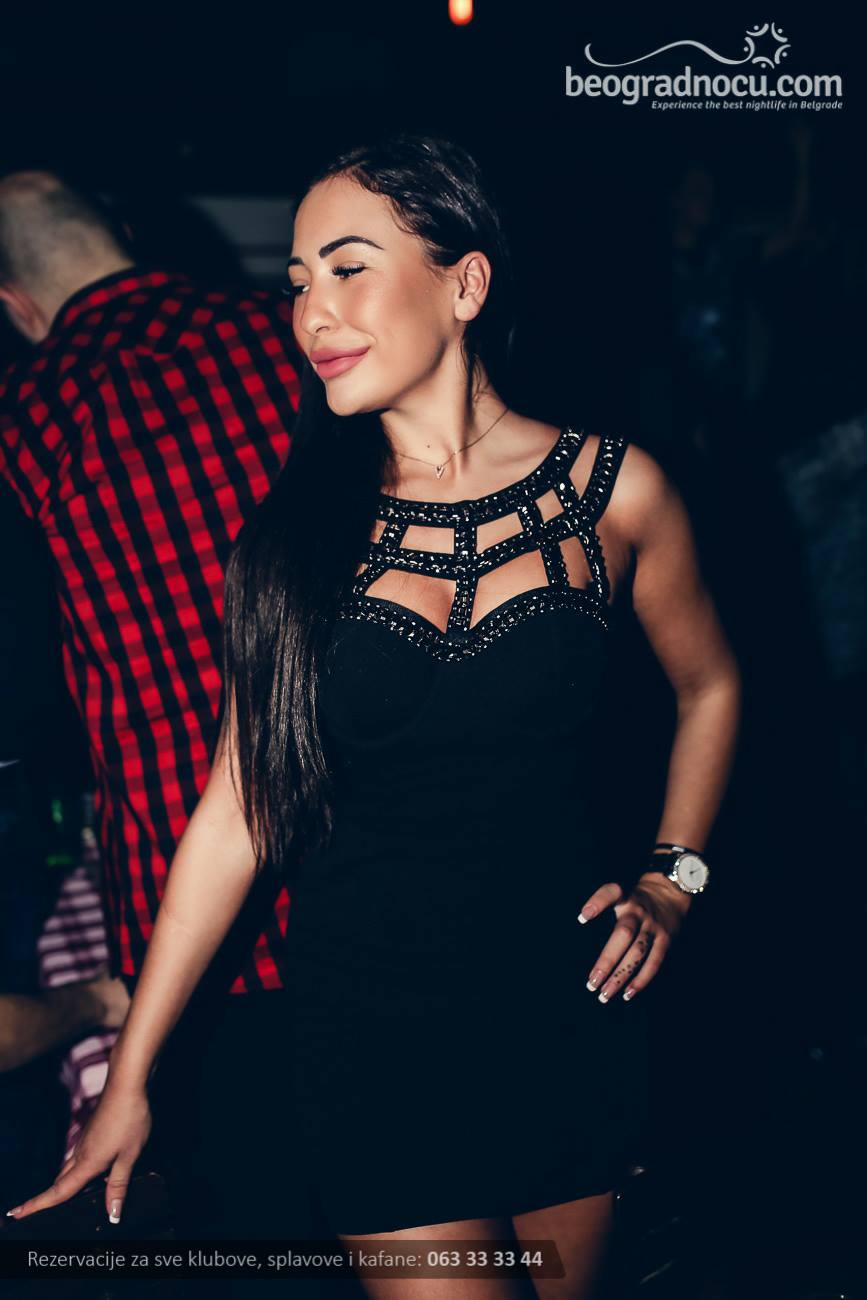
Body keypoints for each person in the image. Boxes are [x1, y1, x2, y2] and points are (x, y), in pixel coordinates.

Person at [7, 137, 742, 1300]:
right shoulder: (294, 541)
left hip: (567, 1005)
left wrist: (673, 879)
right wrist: (129, 1076)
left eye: (348, 268)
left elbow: (711, 687)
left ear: (465, 283)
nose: (312, 311)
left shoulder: (616, 490)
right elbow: (234, 813)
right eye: (298, 280)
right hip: (371, 1033)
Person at [0, 171, 310, 1242]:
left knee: (264, 1231)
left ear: (14, 304)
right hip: (374, 862)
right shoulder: (292, 338)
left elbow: (26, 693)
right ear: (126, 235)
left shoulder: (21, 425)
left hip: (192, 922)